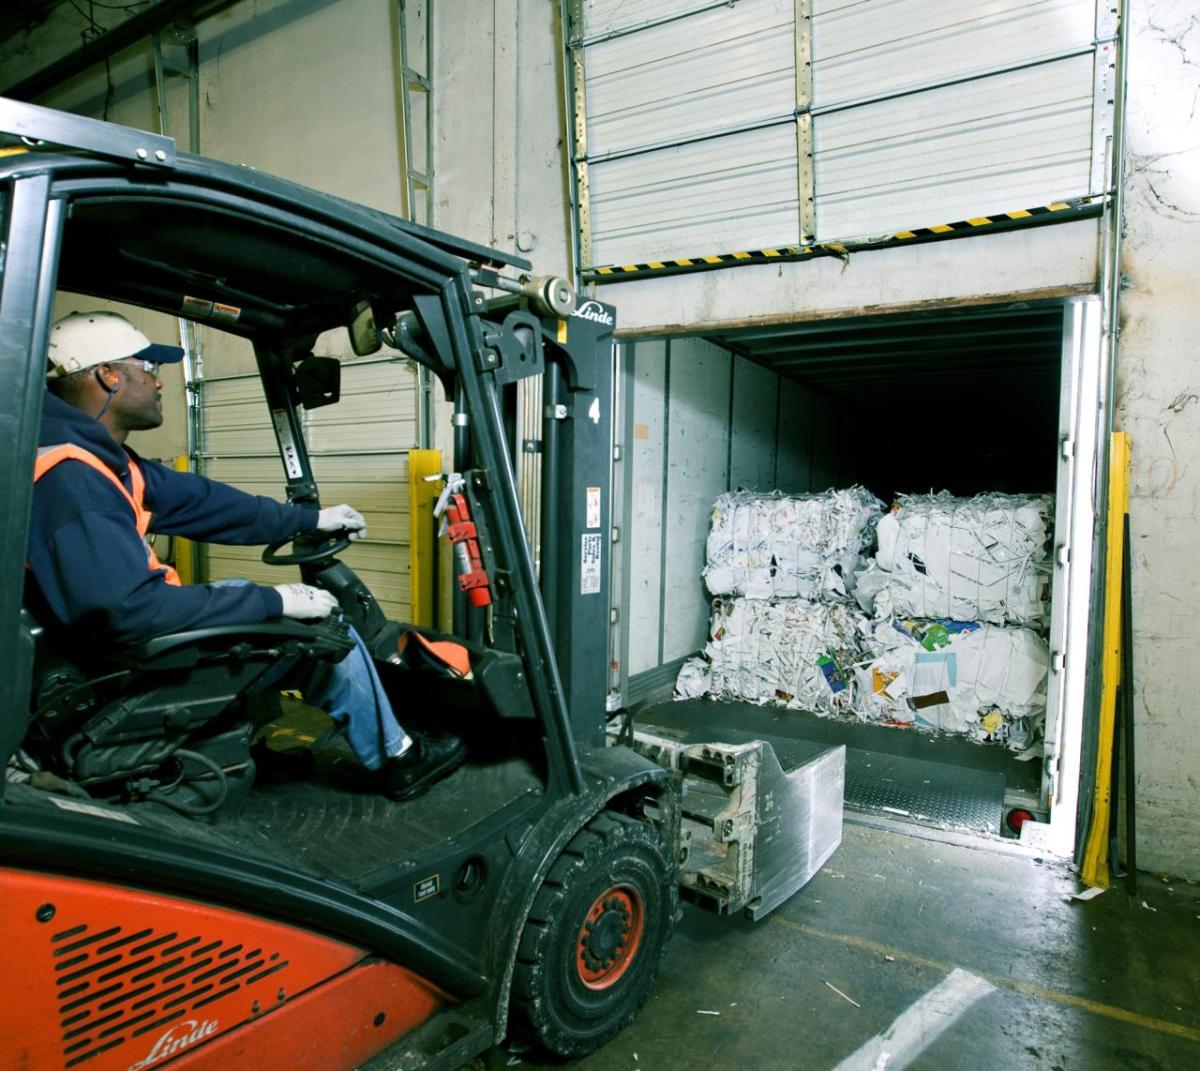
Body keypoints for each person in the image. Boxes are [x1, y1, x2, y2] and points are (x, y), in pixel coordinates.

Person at [27, 310, 464, 800]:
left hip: (117, 638)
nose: (158, 382)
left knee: (252, 610)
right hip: (123, 649)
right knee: (319, 630)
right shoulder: (73, 478)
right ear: (107, 374)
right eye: (147, 367)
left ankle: (237, 740)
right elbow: (131, 609)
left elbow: (205, 503)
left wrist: (309, 519)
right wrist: (277, 601)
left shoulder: (99, 457)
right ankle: (399, 757)